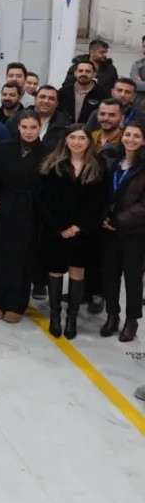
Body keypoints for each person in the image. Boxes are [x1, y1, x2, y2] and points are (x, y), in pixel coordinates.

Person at [38, 127, 107, 338]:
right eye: (73, 137)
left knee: (78, 271)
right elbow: (45, 201)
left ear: (89, 142)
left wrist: (79, 226)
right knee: (55, 271)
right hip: (56, 231)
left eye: (82, 138)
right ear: (66, 141)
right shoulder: (52, 165)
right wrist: (61, 227)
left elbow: (101, 202)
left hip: (84, 232)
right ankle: (55, 316)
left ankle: (71, 318)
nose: (77, 142)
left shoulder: (99, 166)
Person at [0, 109, 50, 323]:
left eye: (33, 127)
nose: (29, 132)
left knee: (24, 258)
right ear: (18, 127)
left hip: (31, 210)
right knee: (0, 253)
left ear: (40, 128)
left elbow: (51, 187)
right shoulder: (3, 148)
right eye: (25, 127)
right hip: (5, 206)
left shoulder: (48, 153)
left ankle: (16, 304)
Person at [101, 121, 145, 342]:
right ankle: (112, 315)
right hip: (108, 229)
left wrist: (119, 221)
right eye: (128, 135)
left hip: (134, 232)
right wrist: (103, 217)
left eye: (136, 136)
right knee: (110, 275)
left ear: (143, 141)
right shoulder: (113, 161)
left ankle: (132, 320)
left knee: (133, 278)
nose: (131, 139)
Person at [58, 60, 108, 124]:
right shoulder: (63, 92)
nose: (83, 74)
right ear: (75, 73)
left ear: (94, 74)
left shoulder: (103, 94)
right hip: (64, 129)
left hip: (90, 130)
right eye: (80, 71)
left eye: (87, 71)